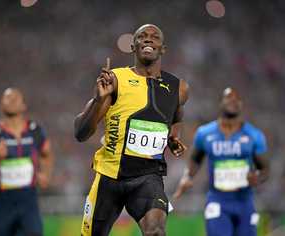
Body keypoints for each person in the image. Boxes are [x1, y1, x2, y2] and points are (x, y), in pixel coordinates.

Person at [74, 24, 189, 236]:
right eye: (142, 37)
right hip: (109, 177)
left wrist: (174, 137)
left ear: (163, 48)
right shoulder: (114, 80)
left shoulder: (178, 88)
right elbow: (81, 133)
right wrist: (98, 100)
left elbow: (176, 115)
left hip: (148, 178)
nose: (148, 39)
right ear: (132, 46)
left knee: (155, 231)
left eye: (154, 37)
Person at [173, 88, 269, 236]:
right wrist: (187, 177)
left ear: (242, 105)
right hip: (218, 201)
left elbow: (265, 170)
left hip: (245, 202)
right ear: (220, 102)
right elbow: (195, 160)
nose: (233, 101)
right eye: (229, 97)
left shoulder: (254, 135)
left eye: (237, 99)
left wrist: (257, 177)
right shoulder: (205, 134)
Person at [0, 88, 54, 236]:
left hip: (29, 206)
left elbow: (47, 154)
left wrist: (45, 174)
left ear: (23, 105)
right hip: (2, 206)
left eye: (16, 98)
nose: (12, 100)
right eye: (7, 98)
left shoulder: (35, 131)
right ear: (1, 105)